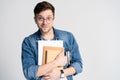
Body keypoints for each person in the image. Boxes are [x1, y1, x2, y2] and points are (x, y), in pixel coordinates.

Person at [21, 1, 82, 80]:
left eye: (48, 18)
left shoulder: (68, 37)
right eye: (40, 18)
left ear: (53, 18)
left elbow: (78, 65)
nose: (45, 22)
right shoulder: (28, 42)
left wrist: (61, 73)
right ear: (35, 19)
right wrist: (56, 62)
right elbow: (29, 72)